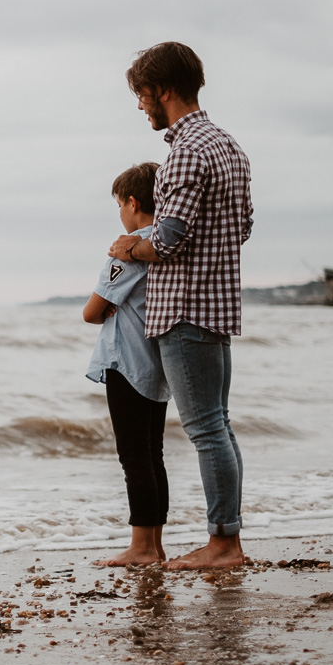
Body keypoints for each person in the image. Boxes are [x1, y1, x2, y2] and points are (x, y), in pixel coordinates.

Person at [108, 42, 253, 570]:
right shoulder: (229, 147)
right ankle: (226, 538)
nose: (142, 105)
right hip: (217, 306)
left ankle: (223, 546)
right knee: (220, 425)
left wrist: (129, 246)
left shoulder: (186, 151)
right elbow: (243, 227)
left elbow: (166, 241)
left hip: (185, 310)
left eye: (143, 94)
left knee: (207, 430)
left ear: (164, 90)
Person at [83, 161, 170, 566]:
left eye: (120, 204)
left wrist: (106, 309)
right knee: (153, 453)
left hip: (127, 362)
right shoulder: (167, 245)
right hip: (157, 362)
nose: (120, 213)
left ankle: (140, 548)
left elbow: (91, 311)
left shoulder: (129, 248)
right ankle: (154, 544)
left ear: (133, 203)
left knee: (133, 455)